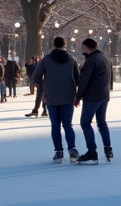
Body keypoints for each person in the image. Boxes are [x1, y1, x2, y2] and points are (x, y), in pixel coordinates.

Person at [31, 36, 81, 164]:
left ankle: (59, 151)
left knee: (55, 126)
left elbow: (36, 76)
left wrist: (44, 86)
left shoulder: (46, 60)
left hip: (51, 97)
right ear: (65, 45)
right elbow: (78, 79)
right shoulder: (71, 60)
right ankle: (72, 149)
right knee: (68, 125)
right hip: (68, 97)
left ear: (53, 44)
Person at [74, 38, 112, 165]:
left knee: (85, 123)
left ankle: (92, 151)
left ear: (87, 47)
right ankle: (108, 148)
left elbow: (84, 81)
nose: (82, 50)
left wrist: (78, 96)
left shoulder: (91, 60)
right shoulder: (104, 58)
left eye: (83, 47)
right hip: (104, 95)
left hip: (92, 96)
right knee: (102, 123)